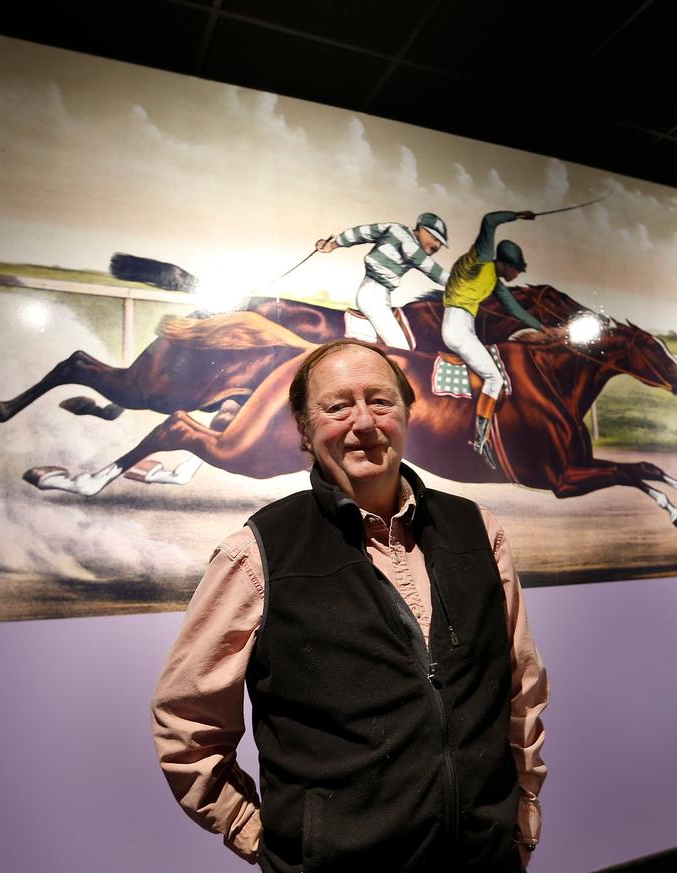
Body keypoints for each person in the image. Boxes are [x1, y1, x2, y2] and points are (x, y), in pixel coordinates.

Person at [151, 339, 548, 872]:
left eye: (381, 401)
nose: (364, 422)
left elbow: (522, 687)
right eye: (338, 406)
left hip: (484, 860)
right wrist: (259, 834)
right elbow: (186, 720)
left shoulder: (478, 531)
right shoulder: (258, 553)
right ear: (304, 427)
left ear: (408, 412)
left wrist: (523, 810)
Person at [442, 211, 550, 469]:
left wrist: (543, 328)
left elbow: (514, 308)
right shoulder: (481, 259)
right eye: (517, 270)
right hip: (457, 326)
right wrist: (519, 215)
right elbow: (489, 220)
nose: (517, 275)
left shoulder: (494, 282)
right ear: (508, 264)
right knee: (495, 378)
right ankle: (480, 441)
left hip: (463, 326)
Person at [315, 213, 450, 349]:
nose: (436, 245)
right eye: (434, 238)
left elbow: (361, 232)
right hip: (373, 294)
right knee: (401, 348)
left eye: (440, 243)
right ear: (420, 229)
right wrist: (460, 286)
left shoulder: (395, 228)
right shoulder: (408, 244)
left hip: (378, 293)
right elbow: (432, 270)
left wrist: (334, 244)